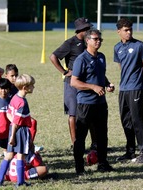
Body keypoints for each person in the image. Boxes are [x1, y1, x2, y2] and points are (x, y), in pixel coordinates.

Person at [49, 17, 97, 151]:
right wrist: (64, 72)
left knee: (91, 114)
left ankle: (95, 143)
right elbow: (53, 56)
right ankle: (76, 143)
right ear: (80, 30)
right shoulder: (70, 43)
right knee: (73, 114)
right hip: (72, 83)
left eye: (90, 28)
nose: (89, 30)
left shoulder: (90, 42)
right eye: (87, 28)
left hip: (87, 83)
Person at [71, 29, 115, 174]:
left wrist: (107, 84)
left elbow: (101, 75)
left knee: (102, 135)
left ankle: (103, 163)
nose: (98, 42)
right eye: (95, 39)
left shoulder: (101, 57)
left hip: (101, 103)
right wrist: (93, 87)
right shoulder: (81, 59)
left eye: (100, 39)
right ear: (87, 40)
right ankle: (79, 168)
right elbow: (74, 82)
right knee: (81, 136)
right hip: (85, 104)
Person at [114, 18, 143, 164]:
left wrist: (141, 84)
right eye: (125, 30)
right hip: (123, 89)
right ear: (119, 32)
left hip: (135, 88)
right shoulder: (117, 47)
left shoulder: (139, 45)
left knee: (137, 121)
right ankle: (130, 152)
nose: (129, 32)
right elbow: (122, 67)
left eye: (130, 29)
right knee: (126, 122)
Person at [0, 74, 35, 187]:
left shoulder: (14, 97)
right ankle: (21, 182)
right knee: (20, 156)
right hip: (20, 131)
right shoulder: (22, 103)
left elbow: (8, 113)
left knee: (8, 155)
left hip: (12, 130)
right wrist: (13, 136)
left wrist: (12, 131)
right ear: (25, 87)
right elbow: (16, 122)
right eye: (32, 85)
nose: (33, 87)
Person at [5, 64, 42, 152]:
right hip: (11, 114)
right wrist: (13, 119)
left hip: (15, 114)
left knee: (33, 122)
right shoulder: (5, 87)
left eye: (16, 75)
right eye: (12, 76)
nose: (14, 78)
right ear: (6, 76)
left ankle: (29, 143)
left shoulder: (17, 88)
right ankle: (27, 145)